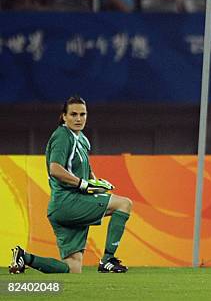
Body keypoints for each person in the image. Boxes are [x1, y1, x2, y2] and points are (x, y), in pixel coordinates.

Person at [9, 96, 132, 274]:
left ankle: (24, 257)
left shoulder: (81, 138)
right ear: (64, 116)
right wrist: (84, 185)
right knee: (124, 204)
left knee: (73, 268)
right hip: (68, 203)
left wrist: (96, 182)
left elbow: (86, 169)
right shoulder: (62, 136)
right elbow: (55, 169)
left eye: (83, 114)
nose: (78, 118)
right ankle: (107, 260)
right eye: (73, 114)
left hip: (63, 208)